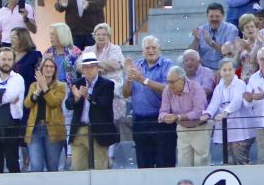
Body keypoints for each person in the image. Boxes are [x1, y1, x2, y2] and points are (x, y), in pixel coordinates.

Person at [124, 35, 175, 169]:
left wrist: (143, 80)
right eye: (147, 48)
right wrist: (129, 79)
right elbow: (125, 93)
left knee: (165, 163)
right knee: (143, 164)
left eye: (153, 48)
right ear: (142, 51)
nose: (150, 51)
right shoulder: (137, 65)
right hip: (140, 121)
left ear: (160, 49)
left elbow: (168, 89)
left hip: (161, 121)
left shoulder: (168, 65)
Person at [67, 52, 119, 170]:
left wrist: (88, 96)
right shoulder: (77, 83)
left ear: (97, 68)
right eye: (86, 67)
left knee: (100, 166)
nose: (89, 70)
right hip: (79, 129)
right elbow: (68, 105)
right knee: (77, 168)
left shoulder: (107, 84)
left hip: (98, 131)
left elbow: (104, 104)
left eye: (92, 67)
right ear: (82, 70)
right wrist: (75, 98)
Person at [159, 65, 209, 168]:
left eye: (172, 82)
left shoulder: (196, 88)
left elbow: (198, 112)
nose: (170, 85)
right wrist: (166, 117)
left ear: (182, 79)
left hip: (200, 128)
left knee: (201, 164)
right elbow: (162, 112)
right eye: (168, 81)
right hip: (182, 129)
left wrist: (178, 117)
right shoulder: (167, 90)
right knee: (183, 164)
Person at [23, 57, 67, 173]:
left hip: (52, 129)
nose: (48, 69)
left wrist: (45, 87)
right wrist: (37, 91)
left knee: (52, 167)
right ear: (41, 69)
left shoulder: (61, 86)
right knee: (36, 167)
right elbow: (27, 103)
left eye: (51, 67)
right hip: (35, 129)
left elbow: (54, 102)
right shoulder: (33, 85)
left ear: (55, 70)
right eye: (46, 66)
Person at [188, 3, 239, 72]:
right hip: (204, 68)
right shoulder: (201, 30)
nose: (214, 19)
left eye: (217, 16)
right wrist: (196, 41)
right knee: (181, 60)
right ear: (207, 16)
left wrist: (211, 43)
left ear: (223, 16)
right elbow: (189, 53)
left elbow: (229, 53)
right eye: (211, 16)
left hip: (225, 67)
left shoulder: (231, 29)